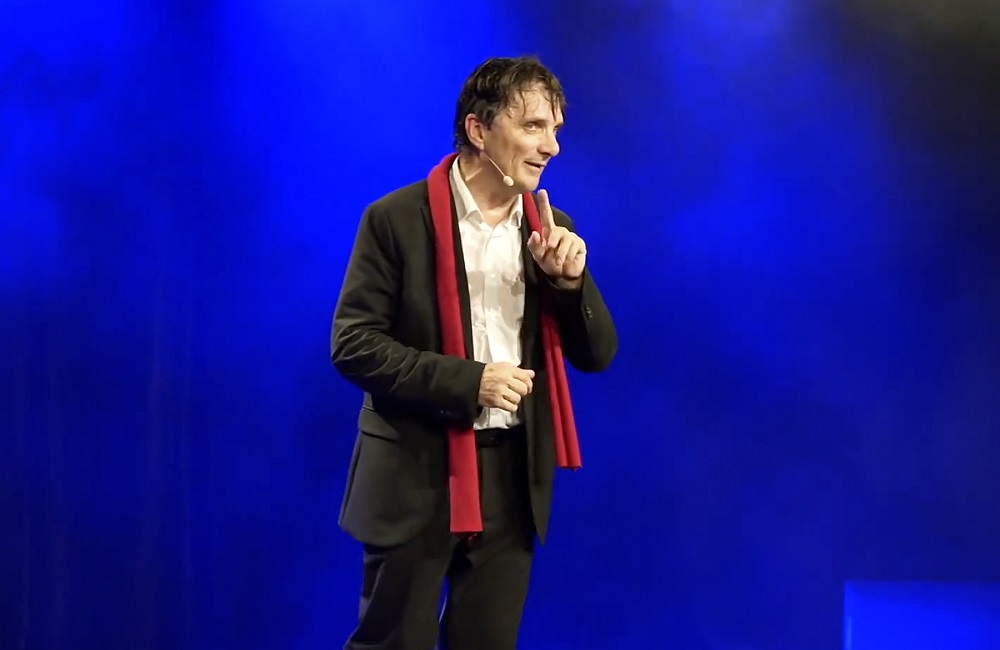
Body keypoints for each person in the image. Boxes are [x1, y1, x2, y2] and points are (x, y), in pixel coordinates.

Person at [330, 55, 618, 650]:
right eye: (534, 126)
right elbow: (354, 344)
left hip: (511, 476)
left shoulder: (549, 227)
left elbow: (598, 355)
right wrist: (471, 382)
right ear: (479, 130)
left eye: (555, 130)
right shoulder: (396, 220)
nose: (552, 146)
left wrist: (569, 286)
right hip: (414, 469)